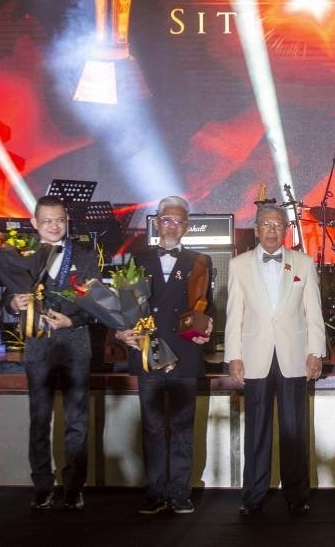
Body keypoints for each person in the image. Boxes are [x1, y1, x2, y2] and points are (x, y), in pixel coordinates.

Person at [224, 204, 327, 517]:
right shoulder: (239, 265)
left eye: (277, 225)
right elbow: (234, 316)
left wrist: (316, 351)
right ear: (256, 229)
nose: (271, 230)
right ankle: (253, 495)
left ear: (286, 230)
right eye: (265, 225)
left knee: (294, 431)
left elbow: (314, 313)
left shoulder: (303, 264)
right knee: (256, 431)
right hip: (254, 357)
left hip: (294, 357)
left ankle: (297, 495)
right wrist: (233, 356)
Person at [116, 196, 213, 515]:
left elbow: (204, 306)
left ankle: (180, 491)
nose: (172, 225)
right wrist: (121, 332)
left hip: (184, 352)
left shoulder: (201, 261)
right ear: (157, 223)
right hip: (149, 353)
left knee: (184, 426)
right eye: (167, 219)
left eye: (179, 221)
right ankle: (156, 491)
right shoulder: (135, 260)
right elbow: (124, 309)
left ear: (186, 226)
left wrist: (207, 324)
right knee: (153, 427)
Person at [7, 195, 100, 511]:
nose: (54, 225)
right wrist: (12, 304)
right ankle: (42, 486)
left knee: (77, 422)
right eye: (46, 220)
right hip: (38, 348)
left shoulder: (87, 257)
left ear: (67, 221)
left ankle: (74, 488)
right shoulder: (22, 256)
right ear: (35, 224)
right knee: (39, 420)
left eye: (59, 219)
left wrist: (72, 319)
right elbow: (3, 304)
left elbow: (101, 306)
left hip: (75, 346)